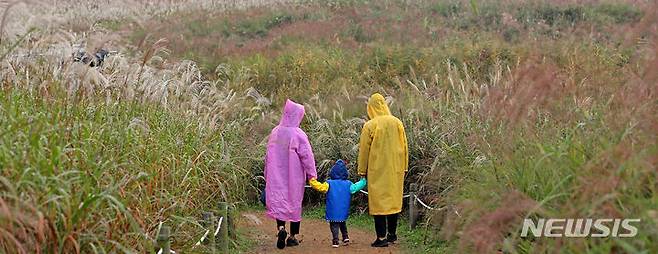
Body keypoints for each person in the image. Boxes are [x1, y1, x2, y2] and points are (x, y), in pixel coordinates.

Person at [264, 99, 318, 249]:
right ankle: (292, 236)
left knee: (279, 203)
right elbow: (307, 156)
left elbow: (268, 155)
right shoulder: (298, 134)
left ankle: (281, 229)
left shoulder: (275, 132)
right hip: (294, 176)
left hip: (275, 175)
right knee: (294, 204)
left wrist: (266, 173)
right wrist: (312, 174)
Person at [357, 93, 409, 248]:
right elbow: (405, 147)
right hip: (396, 169)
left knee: (379, 203)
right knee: (393, 201)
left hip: (377, 170)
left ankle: (381, 238)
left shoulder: (370, 125)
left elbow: (364, 151)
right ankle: (392, 235)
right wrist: (405, 166)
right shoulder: (397, 123)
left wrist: (362, 171)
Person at [308, 160, 367, 248]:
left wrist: (312, 181)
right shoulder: (348, 184)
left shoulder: (329, 183)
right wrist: (363, 180)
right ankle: (345, 237)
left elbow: (320, 187)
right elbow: (356, 187)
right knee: (342, 222)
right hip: (343, 209)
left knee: (334, 224)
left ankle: (335, 240)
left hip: (332, 209)